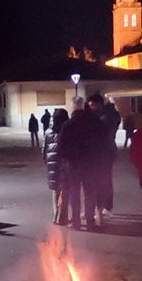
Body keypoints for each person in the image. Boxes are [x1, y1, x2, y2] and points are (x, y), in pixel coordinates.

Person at [58, 96, 108, 230]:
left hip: (73, 164)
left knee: (74, 193)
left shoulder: (68, 125)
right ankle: (90, 222)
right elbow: (102, 142)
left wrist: (67, 159)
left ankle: (76, 222)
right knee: (90, 192)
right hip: (90, 164)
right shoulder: (94, 122)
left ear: (73, 106)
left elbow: (61, 146)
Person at [90, 94, 121, 225]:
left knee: (103, 181)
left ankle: (104, 207)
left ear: (99, 104)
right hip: (105, 153)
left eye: (92, 105)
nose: (91, 108)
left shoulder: (106, 117)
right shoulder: (108, 115)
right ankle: (103, 207)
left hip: (104, 153)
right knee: (103, 180)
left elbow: (104, 134)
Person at [43, 108, 71, 225]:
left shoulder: (48, 132)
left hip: (52, 165)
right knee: (65, 191)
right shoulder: (67, 131)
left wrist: (47, 161)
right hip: (64, 165)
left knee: (55, 190)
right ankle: (62, 217)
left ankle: (56, 215)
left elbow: (44, 150)